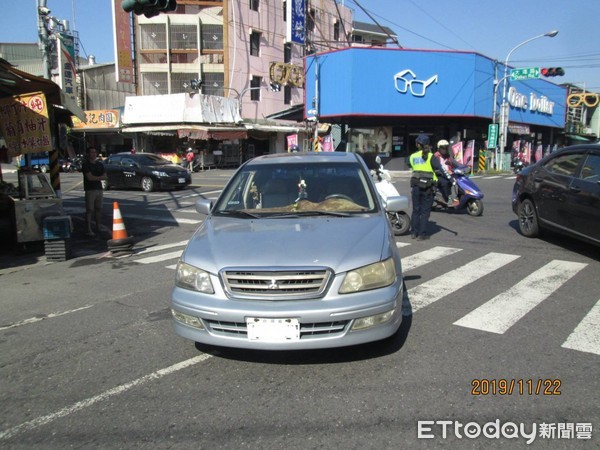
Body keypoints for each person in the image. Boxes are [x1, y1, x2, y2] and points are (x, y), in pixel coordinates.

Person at [408, 134, 446, 240]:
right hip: (428, 188)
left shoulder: (413, 156)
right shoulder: (431, 156)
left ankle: (413, 232)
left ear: (418, 144)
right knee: (425, 211)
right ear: (427, 145)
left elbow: (409, 164)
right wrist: (450, 179)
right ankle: (422, 234)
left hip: (415, 186)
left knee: (416, 210)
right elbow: (440, 169)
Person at [81, 146, 107, 237]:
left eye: (95, 152)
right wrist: (99, 178)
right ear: (88, 154)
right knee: (89, 209)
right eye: (92, 152)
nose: (94, 154)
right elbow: (89, 177)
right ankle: (89, 229)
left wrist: (96, 178)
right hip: (90, 189)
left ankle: (98, 227)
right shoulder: (86, 165)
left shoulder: (99, 164)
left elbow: (105, 176)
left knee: (98, 208)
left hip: (99, 188)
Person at [434, 139, 459, 207]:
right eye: (442, 148)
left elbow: (455, 163)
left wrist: (465, 166)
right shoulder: (436, 156)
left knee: (458, 181)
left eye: (446, 148)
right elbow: (436, 168)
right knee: (445, 183)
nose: (444, 149)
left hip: (448, 174)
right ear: (439, 148)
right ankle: (449, 199)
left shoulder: (448, 156)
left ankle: (456, 197)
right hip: (438, 175)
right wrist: (440, 172)